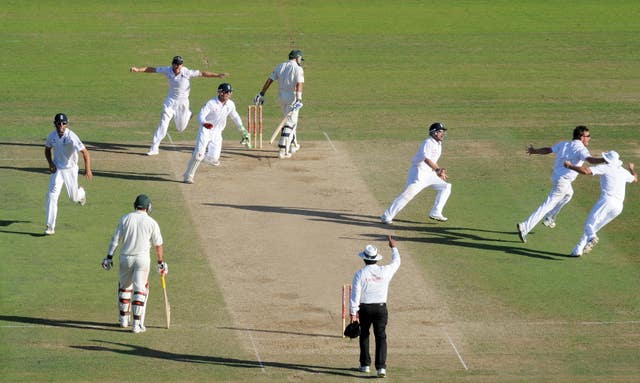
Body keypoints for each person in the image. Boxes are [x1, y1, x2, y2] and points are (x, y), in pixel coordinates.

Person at [516, 126, 605, 243]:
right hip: (562, 182)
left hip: (557, 178)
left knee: (569, 194)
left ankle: (550, 217)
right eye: (588, 136)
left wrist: (534, 151)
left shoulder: (564, 144)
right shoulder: (581, 149)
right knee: (547, 205)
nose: (590, 138)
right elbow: (591, 160)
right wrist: (605, 160)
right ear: (581, 137)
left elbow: (548, 150)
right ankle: (525, 226)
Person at [130, 55, 228, 156]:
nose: (178, 67)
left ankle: (188, 114)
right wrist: (138, 69)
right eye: (176, 64)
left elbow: (203, 73)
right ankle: (154, 147)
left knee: (180, 128)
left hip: (183, 105)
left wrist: (217, 75)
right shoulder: (167, 70)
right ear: (172, 64)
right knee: (163, 123)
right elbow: (151, 69)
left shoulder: (187, 72)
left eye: (180, 64)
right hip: (170, 102)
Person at [101, 194, 166, 334]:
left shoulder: (125, 218)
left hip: (125, 258)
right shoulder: (152, 222)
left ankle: (123, 320)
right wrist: (160, 262)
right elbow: (158, 245)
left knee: (124, 288)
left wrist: (109, 257)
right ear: (148, 207)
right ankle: (136, 325)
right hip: (142, 260)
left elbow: (115, 240)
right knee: (140, 289)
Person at [564, 151, 637, 256]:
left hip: (607, 201)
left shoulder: (605, 167)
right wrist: (631, 169)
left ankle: (592, 238)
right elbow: (635, 179)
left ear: (607, 160)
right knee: (593, 228)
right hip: (618, 207)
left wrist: (570, 166)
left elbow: (586, 171)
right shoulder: (623, 171)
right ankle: (578, 250)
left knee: (588, 225)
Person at [349, 235, 401, 378]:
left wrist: (353, 313)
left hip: (364, 308)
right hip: (380, 308)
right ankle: (381, 368)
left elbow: (355, 295)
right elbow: (397, 262)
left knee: (364, 334)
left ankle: (365, 365)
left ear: (364, 258)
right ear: (376, 258)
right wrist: (393, 247)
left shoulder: (359, 274)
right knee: (381, 337)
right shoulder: (385, 271)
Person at [380, 122, 451, 225]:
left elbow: (433, 159)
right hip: (419, 172)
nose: (442, 134)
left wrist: (438, 170)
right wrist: (437, 170)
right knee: (407, 195)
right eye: (440, 131)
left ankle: (436, 212)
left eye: (443, 132)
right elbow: (426, 158)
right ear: (434, 133)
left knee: (446, 187)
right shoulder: (428, 142)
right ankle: (386, 216)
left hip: (429, 173)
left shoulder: (439, 144)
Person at [182, 83, 248, 184]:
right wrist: (204, 123)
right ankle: (188, 176)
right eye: (226, 92)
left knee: (214, 160)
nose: (228, 94)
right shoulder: (211, 103)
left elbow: (235, 117)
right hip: (206, 130)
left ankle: (197, 155)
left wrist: (243, 130)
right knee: (199, 154)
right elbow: (201, 115)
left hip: (217, 133)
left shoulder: (230, 104)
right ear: (220, 92)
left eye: (229, 92)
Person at [44, 113, 93, 235]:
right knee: (52, 195)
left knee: (73, 198)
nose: (61, 125)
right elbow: (47, 149)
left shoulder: (72, 137)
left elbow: (85, 153)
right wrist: (50, 163)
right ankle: (50, 226)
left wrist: (88, 169)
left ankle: (81, 193)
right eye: (59, 123)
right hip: (58, 169)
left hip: (70, 169)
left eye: (64, 123)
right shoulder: (52, 136)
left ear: (67, 124)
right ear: (55, 124)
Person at [254, 49, 305, 159]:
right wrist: (299, 99)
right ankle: (282, 150)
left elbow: (269, 80)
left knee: (291, 121)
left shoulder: (280, 66)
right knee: (290, 124)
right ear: (297, 58)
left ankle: (293, 145)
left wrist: (262, 94)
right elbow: (299, 84)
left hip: (281, 98)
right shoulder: (298, 68)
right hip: (293, 98)